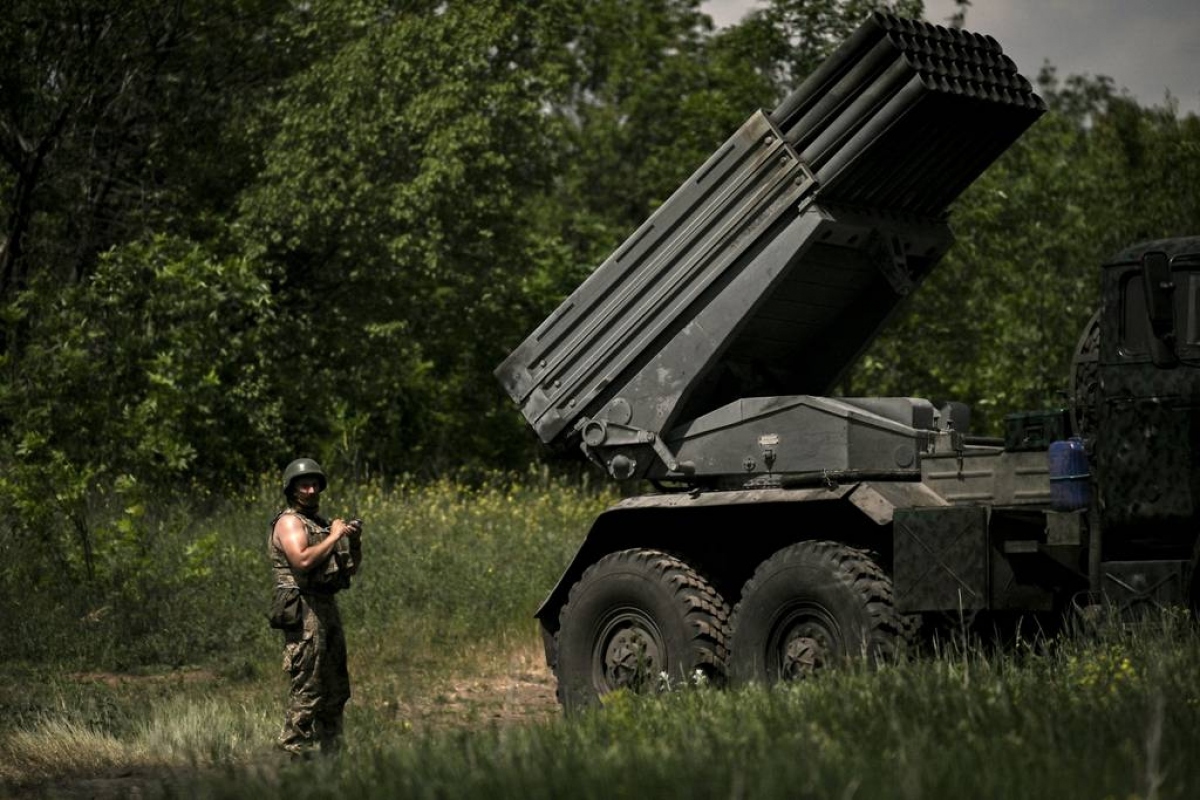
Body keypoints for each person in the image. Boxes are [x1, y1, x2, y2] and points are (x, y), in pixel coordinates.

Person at [268, 457, 363, 757]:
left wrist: (354, 542)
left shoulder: (320, 524)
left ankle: (331, 766)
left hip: (326, 610)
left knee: (335, 692)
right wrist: (335, 536)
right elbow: (303, 560)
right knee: (308, 691)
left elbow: (348, 570)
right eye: (303, 485)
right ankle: (291, 761)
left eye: (314, 484)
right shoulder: (289, 522)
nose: (310, 490)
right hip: (304, 613)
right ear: (291, 489)